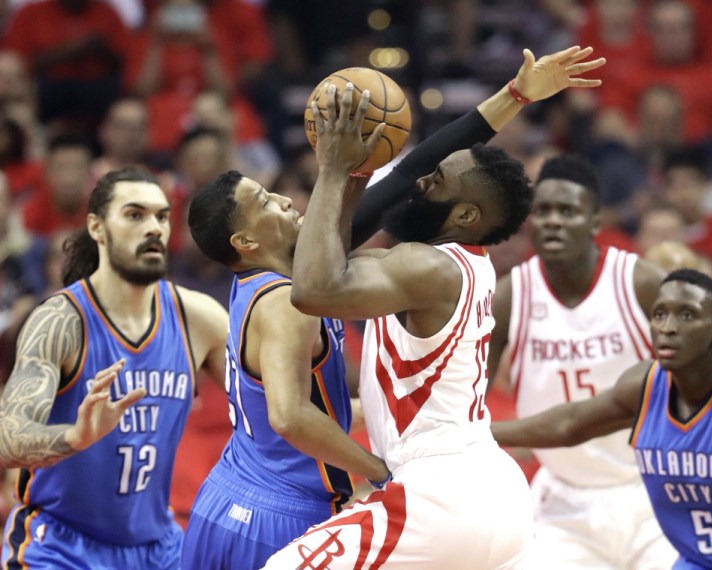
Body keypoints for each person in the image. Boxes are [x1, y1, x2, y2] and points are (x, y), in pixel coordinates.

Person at [183, 44, 604, 570]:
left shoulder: (388, 267)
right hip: (275, 503)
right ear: (244, 240)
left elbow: (411, 172)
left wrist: (512, 97)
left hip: (289, 491)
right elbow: (290, 410)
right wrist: (337, 172)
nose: (288, 200)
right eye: (266, 202)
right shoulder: (293, 290)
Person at [0, 167, 228, 569]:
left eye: (161, 215)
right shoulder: (60, 321)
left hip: (157, 548)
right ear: (97, 227)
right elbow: (8, 439)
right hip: (60, 546)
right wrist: (76, 435)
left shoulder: (199, 317)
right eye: (135, 215)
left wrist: (365, 408)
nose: (154, 227)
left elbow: (274, 407)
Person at [486, 153, 677, 569]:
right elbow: (468, 399)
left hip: (650, 493)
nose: (552, 221)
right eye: (542, 211)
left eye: (567, 211)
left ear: (594, 223)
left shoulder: (641, 283)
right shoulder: (510, 295)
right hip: (562, 503)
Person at [491, 268, 712, 569]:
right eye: (660, 314)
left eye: (687, 316)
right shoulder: (644, 385)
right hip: (696, 560)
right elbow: (570, 424)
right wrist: (476, 434)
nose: (668, 327)